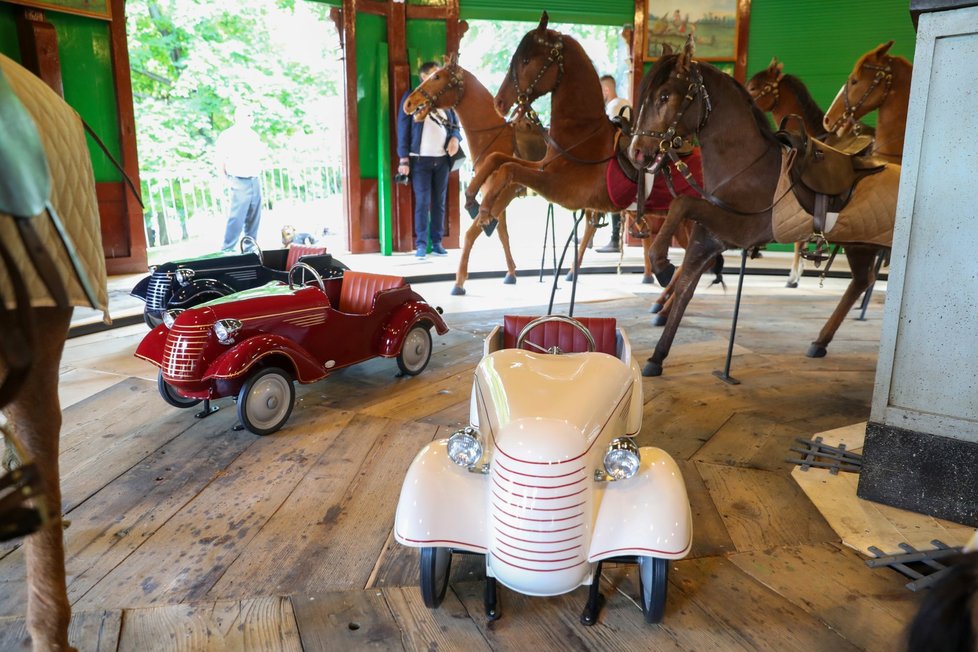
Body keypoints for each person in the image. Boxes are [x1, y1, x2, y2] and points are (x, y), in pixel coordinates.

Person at [396, 61, 463, 259]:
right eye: (434, 75)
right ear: (424, 77)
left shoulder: (446, 100)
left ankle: (437, 243)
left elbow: (456, 127)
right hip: (420, 161)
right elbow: (403, 129)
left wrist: (455, 138)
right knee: (423, 202)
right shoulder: (413, 98)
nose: (438, 78)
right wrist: (403, 159)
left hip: (442, 160)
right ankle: (421, 245)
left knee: (439, 203)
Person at [216, 105, 266, 252]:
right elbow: (221, 159)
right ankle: (228, 248)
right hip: (238, 179)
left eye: (251, 115)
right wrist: (224, 179)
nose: (251, 118)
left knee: (254, 215)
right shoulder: (227, 136)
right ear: (238, 117)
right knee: (236, 217)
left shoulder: (253, 136)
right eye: (247, 115)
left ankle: (250, 249)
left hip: (254, 179)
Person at [596, 75, 632, 253]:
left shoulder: (612, 107)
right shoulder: (625, 102)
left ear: (606, 91)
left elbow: (606, 137)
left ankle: (614, 238)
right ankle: (592, 232)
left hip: (617, 159)